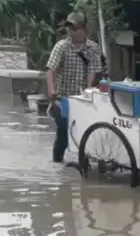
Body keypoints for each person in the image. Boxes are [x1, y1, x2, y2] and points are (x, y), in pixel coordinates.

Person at [46, 12, 107, 164]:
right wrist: (52, 90)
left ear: (84, 30)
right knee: (63, 130)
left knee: (86, 129)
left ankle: (84, 161)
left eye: (75, 28)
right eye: (69, 28)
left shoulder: (93, 48)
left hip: (81, 98)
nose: (71, 32)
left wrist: (88, 88)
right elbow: (51, 70)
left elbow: (92, 71)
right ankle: (57, 163)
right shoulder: (62, 46)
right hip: (62, 98)